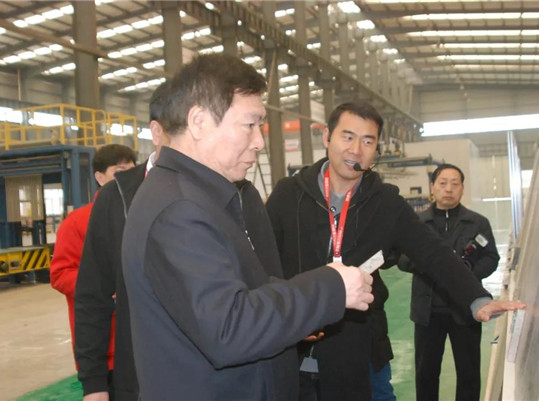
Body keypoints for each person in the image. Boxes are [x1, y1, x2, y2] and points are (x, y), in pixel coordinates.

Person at [121, 53, 375, 401]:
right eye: (249, 125)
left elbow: (243, 289)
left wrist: (304, 309)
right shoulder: (179, 210)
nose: (259, 141)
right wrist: (330, 289)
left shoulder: (201, 196)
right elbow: (228, 328)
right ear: (199, 121)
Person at [265, 102, 525, 401]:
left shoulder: (385, 204)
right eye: (347, 137)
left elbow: (432, 251)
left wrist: (475, 298)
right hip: (290, 341)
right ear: (327, 137)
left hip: (352, 345)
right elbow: (261, 260)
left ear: (376, 149)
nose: (356, 150)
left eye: (367, 141)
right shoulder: (289, 195)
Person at [74, 81, 171, 401]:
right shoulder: (116, 198)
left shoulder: (232, 193)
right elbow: (91, 295)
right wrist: (94, 383)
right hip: (138, 377)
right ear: (157, 132)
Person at [397, 164, 499, 401]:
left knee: (469, 372)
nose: (449, 189)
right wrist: (432, 267)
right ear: (432, 187)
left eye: (455, 183)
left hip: (466, 310)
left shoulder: (477, 223)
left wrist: (467, 273)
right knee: (426, 372)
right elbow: (401, 258)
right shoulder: (416, 223)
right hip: (428, 311)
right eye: (442, 183)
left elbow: (491, 258)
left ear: (462, 188)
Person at [49, 144, 137, 372]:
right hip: (105, 344)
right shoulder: (77, 223)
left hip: (144, 340)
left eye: (132, 172)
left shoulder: (142, 214)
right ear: (99, 177)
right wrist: (104, 286)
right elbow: (60, 274)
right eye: (119, 172)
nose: (128, 179)